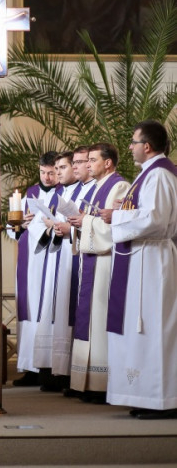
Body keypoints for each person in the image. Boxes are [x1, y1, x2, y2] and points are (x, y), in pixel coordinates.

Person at [108, 120, 177, 419]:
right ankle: (146, 396)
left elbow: (156, 219)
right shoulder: (148, 174)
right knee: (143, 328)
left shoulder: (159, 175)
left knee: (156, 329)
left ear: (147, 146)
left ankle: (164, 400)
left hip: (153, 260)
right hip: (141, 258)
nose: (130, 147)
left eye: (133, 142)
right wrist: (120, 213)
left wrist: (115, 217)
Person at [65, 142, 128, 403]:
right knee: (89, 319)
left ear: (108, 163)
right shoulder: (96, 189)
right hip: (91, 259)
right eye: (87, 160)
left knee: (100, 320)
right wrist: (78, 223)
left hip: (106, 263)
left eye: (92, 160)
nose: (88, 164)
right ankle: (86, 382)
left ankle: (101, 385)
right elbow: (92, 220)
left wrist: (86, 221)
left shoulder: (119, 187)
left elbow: (116, 227)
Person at [10, 151, 61, 387]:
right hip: (30, 260)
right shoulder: (29, 194)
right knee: (29, 310)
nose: (47, 177)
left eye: (51, 173)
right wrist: (21, 225)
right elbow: (14, 227)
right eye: (43, 172)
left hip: (53, 257)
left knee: (48, 309)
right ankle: (29, 366)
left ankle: (47, 367)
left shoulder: (64, 194)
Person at [48, 147, 97, 392]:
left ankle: (81, 378)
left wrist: (71, 230)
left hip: (87, 256)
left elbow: (96, 222)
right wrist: (58, 228)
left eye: (81, 162)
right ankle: (68, 374)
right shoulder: (76, 190)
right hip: (71, 253)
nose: (78, 166)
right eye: (74, 162)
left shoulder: (97, 188)